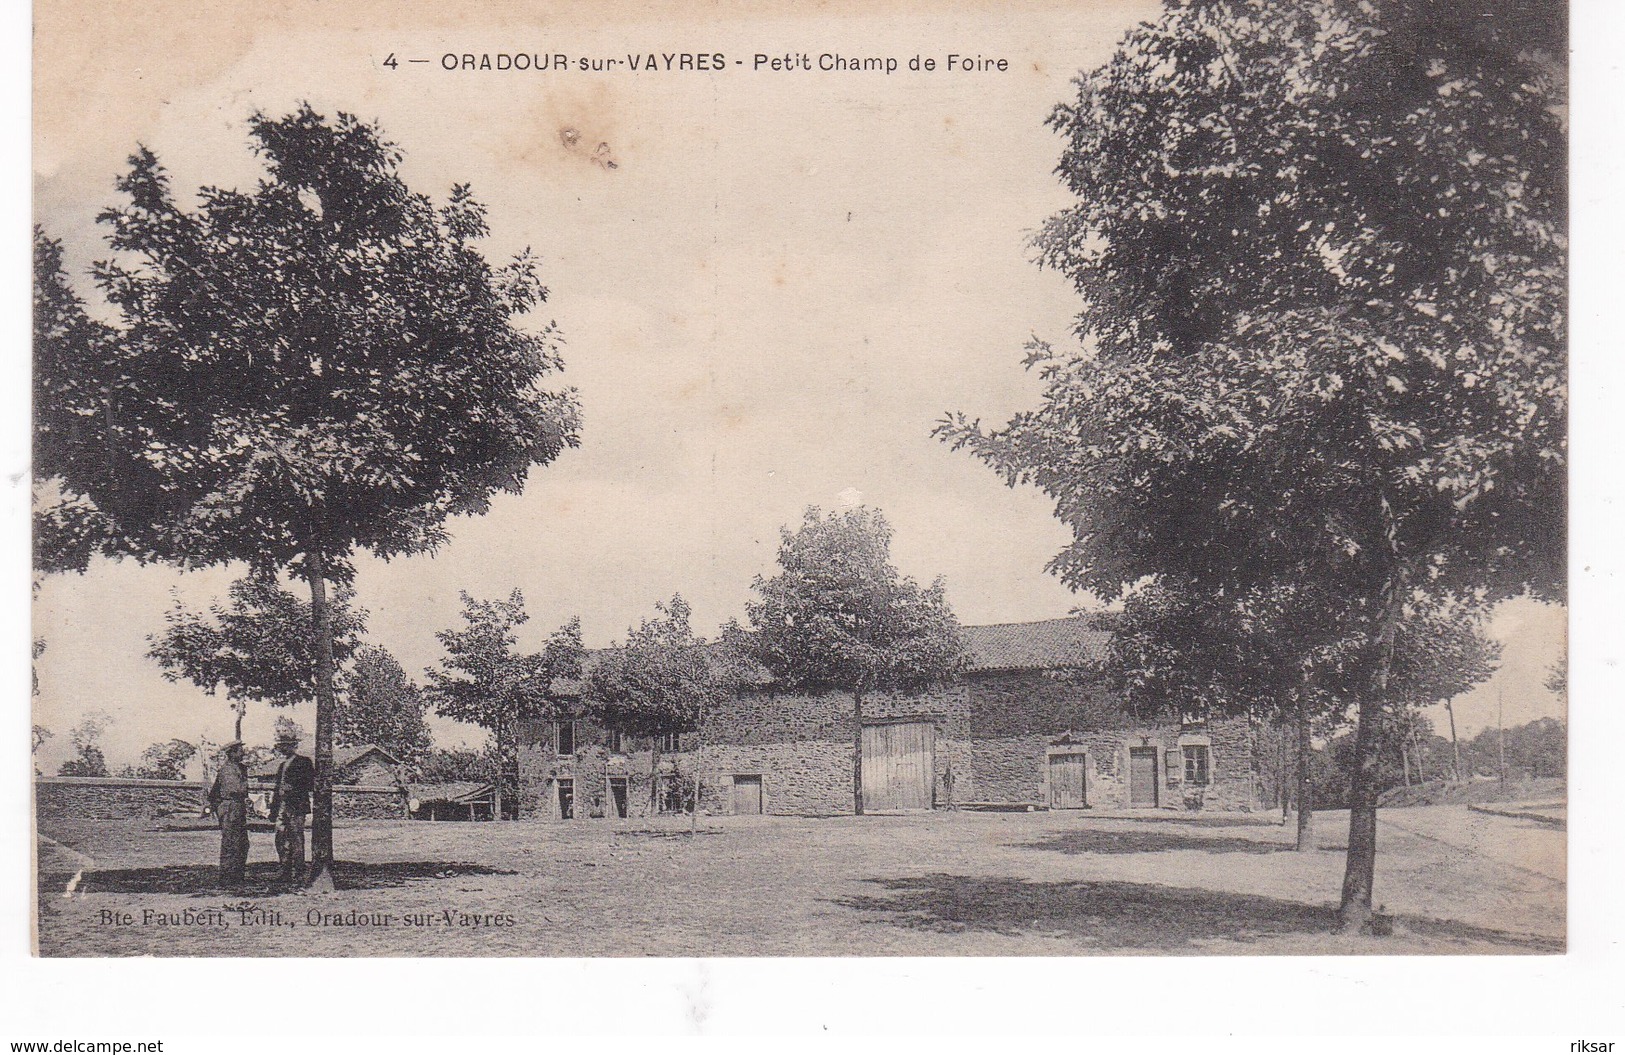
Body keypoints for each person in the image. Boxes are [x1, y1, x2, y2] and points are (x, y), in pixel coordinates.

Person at [268, 732, 315, 887]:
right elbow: (277, 789)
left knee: (296, 838)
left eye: (286, 745)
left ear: (293, 746)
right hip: (282, 806)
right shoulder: (282, 765)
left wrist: (293, 788)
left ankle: (299, 872)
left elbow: (309, 783)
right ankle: (285, 870)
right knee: (280, 838)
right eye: (281, 746)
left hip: (296, 806)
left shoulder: (304, 762)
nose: (283, 748)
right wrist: (273, 809)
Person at [206, 741, 250, 887]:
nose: (243, 753)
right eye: (240, 751)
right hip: (230, 807)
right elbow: (237, 790)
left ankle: (238, 876)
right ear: (231, 753)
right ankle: (227, 877)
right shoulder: (227, 770)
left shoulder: (241, 768)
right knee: (230, 842)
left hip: (238, 807)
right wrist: (221, 810)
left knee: (242, 843)